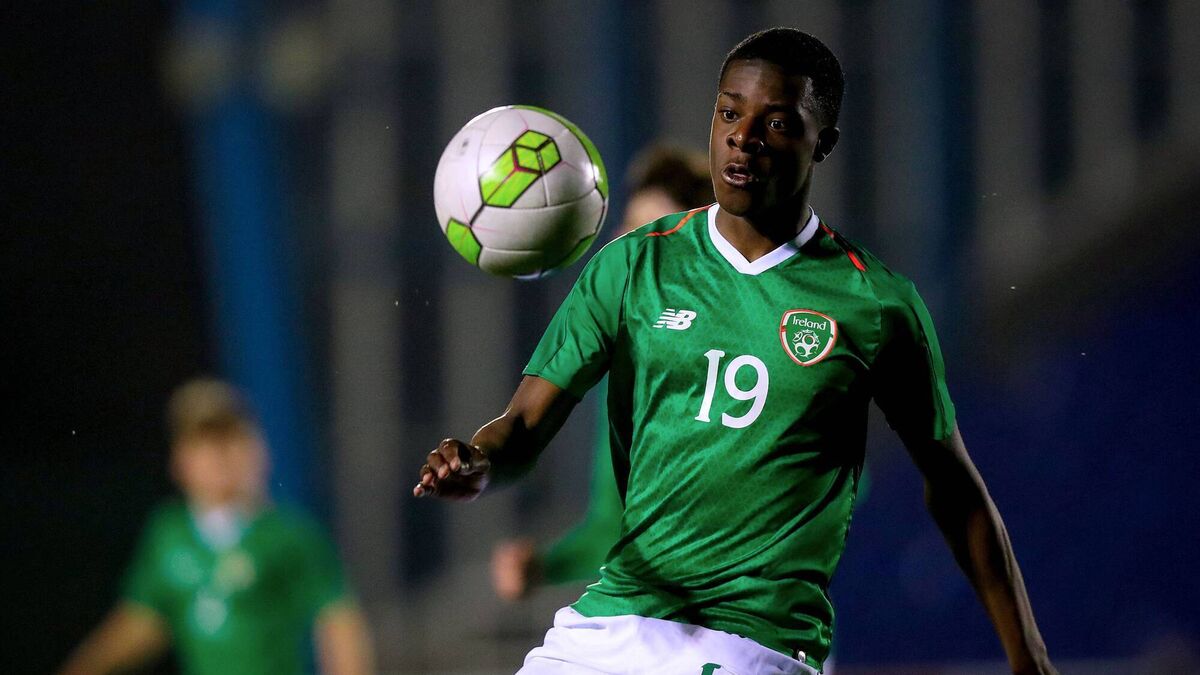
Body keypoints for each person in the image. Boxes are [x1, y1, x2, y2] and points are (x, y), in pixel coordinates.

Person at [416, 27, 1055, 675]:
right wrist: (479, 461)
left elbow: (956, 491)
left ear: (822, 143)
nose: (742, 137)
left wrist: (1029, 659)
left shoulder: (875, 303)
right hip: (611, 623)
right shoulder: (632, 265)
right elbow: (523, 426)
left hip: (750, 641)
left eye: (775, 123)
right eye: (728, 113)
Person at [490, 145, 714, 602]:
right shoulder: (625, 372)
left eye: (655, 231)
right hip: (660, 619)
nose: (633, 245)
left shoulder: (754, 343)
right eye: (630, 228)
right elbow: (611, 530)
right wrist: (545, 566)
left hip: (744, 625)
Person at [59, 378, 374, 675]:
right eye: (204, 442)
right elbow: (145, 620)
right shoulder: (168, 532)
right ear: (180, 459)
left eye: (230, 439)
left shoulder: (289, 534)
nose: (218, 455)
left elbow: (338, 623)